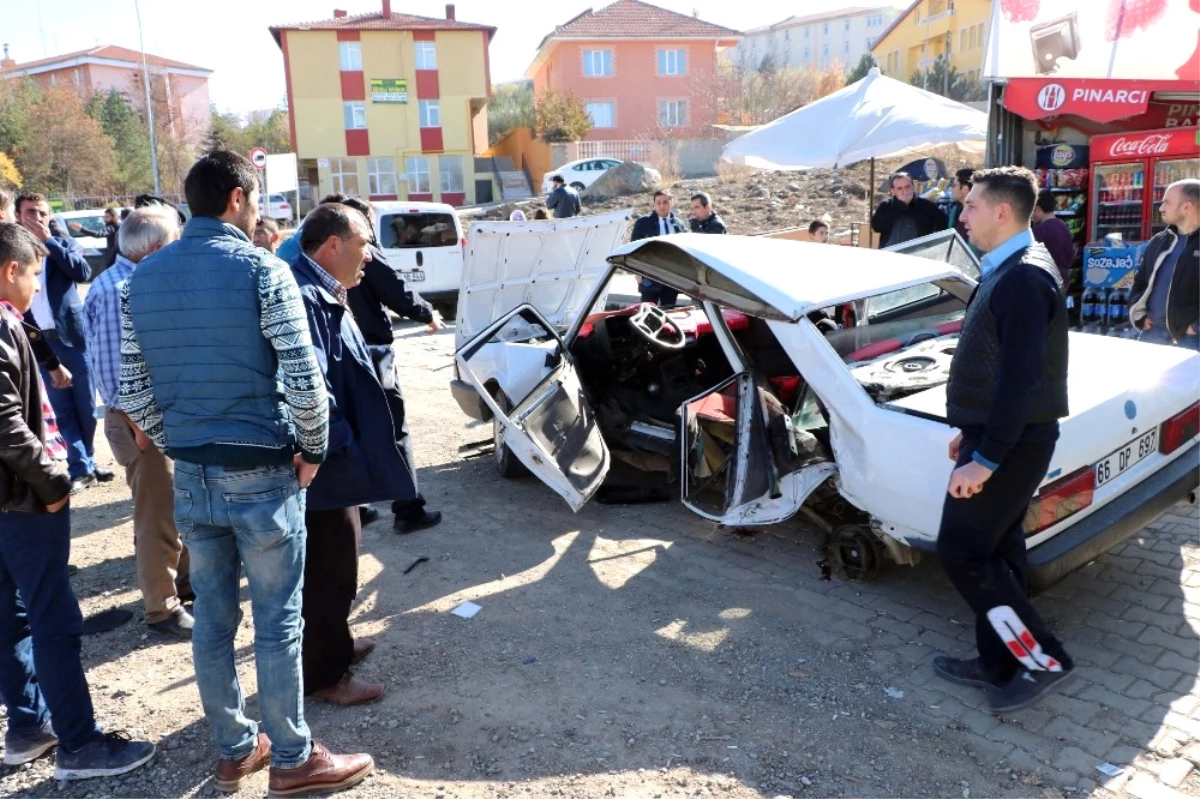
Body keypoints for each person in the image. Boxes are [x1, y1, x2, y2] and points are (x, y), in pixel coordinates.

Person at [119, 151, 372, 795]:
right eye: (255, 201)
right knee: (278, 620)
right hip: (263, 470)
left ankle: (237, 747)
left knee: (212, 618)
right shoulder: (262, 269)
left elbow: (134, 390)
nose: (259, 213)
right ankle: (292, 756)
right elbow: (304, 380)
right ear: (236, 198)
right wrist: (311, 450)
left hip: (196, 473)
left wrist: (183, 442)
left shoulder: (139, 281)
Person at [0, 221, 157, 779]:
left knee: (11, 615)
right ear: (9, 271)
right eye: (34, 274)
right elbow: (6, 425)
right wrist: (54, 484)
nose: (37, 285)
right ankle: (79, 744)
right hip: (22, 503)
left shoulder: (13, 324)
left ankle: (27, 728)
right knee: (53, 619)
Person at [933, 166, 1074, 714]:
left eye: (970, 206)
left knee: (963, 551)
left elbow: (1022, 380)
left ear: (1002, 212)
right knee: (997, 547)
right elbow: (1000, 368)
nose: (961, 215)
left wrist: (986, 456)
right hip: (995, 434)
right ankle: (999, 660)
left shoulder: (1023, 277)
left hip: (1011, 444)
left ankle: (1041, 659)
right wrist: (972, 430)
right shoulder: (1011, 268)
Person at [290, 204, 424, 704]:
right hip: (324, 466)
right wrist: (337, 446)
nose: (370, 255)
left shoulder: (325, 288)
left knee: (340, 563)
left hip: (332, 461)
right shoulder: (305, 298)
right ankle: (326, 677)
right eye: (365, 243)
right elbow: (310, 387)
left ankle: (336, 648)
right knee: (328, 571)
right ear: (333, 245)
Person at [83, 206, 194, 639]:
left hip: (151, 419)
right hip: (140, 423)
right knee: (157, 518)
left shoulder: (130, 282)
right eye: (173, 243)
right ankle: (162, 609)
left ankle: (183, 588)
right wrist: (142, 427)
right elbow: (116, 372)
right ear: (153, 249)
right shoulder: (119, 290)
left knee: (174, 510)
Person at [318, 194, 443, 534]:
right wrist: (427, 313)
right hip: (372, 351)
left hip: (339, 352)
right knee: (393, 428)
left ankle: (358, 506)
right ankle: (408, 508)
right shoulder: (363, 249)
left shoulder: (315, 254)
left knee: (353, 428)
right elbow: (397, 292)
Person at [15, 192, 112, 493]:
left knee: (86, 406)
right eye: (30, 212)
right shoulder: (13, 253)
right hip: (41, 344)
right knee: (61, 408)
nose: (37, 218)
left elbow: (81, 272)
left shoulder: (63, 243)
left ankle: (89, 461)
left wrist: (50, 241)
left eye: (42, 213)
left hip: (74, 339)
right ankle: (79, 466)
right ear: (18, 216)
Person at [1129, 179, 1200, 349]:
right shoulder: (1159, 241)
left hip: (1190, 339)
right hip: (1152, 333)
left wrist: (1195, 327)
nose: (1161, 208)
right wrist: (1138, 315)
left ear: (1186, 207)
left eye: (1166, 202)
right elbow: (1139, 281)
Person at [631, 190, 687, 307]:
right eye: (658, 203)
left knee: (669, 309)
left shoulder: (679, 224)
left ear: (671, 203)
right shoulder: (643, 223)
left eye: (665, 202)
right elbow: (634, 248)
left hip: (672, 277)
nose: (662, 206)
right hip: (650, 276)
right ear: (654, 205)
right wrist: (636, 271)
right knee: (648, 311)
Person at [871, 172, 947, 248]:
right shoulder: (886, 206)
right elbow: (877, 227)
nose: (904, 192)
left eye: (907, 187)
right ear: (892, 191)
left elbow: (943, 225)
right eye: (899, 188)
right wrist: (900, 206)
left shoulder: (926, 205)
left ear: (913, 186)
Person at [1031, 190, 1074, 286]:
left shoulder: (1039, 231)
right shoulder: (1064, 228)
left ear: (1037, 209)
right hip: (1063, 280)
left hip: (1045, 281)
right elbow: (1070, 255)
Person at [68, 207, 121, 271]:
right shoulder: (120, 226)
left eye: (107, 217)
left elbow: (98, 234)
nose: (105, 219)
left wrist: (81, 229)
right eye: (104, 217)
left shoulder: (111, 228)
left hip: (113, 258)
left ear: (114, 217)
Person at [947, 169, 974, 242]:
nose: (951, 188)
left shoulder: (978, 215)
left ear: (965, 189)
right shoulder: (955, 211)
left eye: (953, 185)